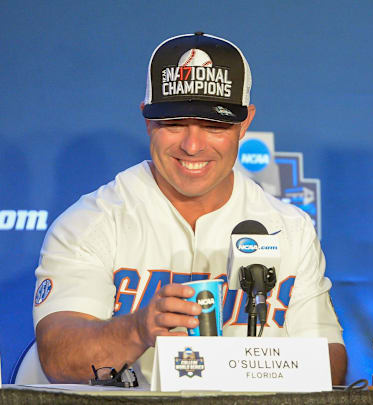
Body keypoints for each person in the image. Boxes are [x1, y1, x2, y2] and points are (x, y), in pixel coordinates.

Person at [32, 32, 346, 386]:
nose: (193, 145)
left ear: (245, 123)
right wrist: (138, 329)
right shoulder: (91, 222)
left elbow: (330, 365)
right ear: (147, 120)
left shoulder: (291, 228)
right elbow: (58, 357)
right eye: (175, 123)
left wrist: (247, 368)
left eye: (214, 125)